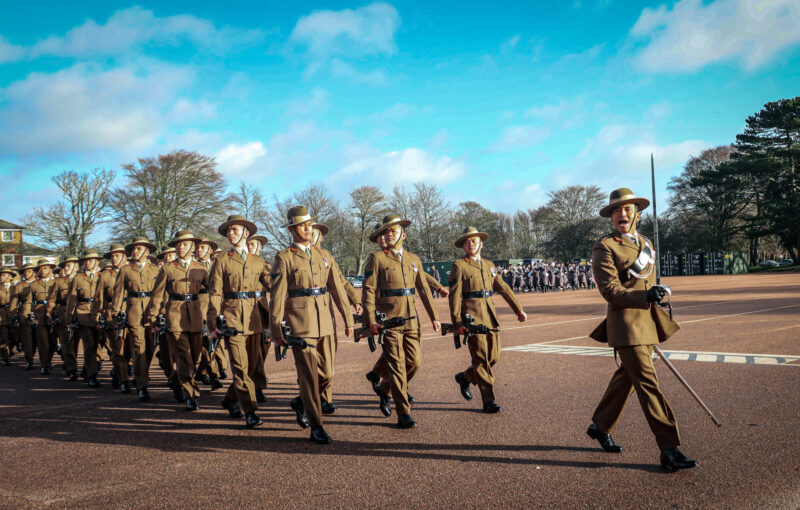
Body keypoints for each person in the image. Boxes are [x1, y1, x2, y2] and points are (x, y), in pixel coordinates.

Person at [586, 187, 697, 472]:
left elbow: (646, 283)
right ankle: (669, 448)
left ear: (637, 213)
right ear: (610, 216)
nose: (621, 214)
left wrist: (655, 292)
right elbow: (610, 291)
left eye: (626, 209)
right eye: (615, 211)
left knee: (627, 378)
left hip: (646, 322)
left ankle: (600, 426)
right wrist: (644, 296)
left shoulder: (646, 243)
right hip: (626, 325)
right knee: (649, 383)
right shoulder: (605, 247)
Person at [269, 206, 354, 443]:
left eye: (310, 225)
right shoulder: (283, 258)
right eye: (303, 225)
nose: (309, 228)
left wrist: (347, 318)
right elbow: (277, 297)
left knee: (327, 373)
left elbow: (336, 287)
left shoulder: (323, 255)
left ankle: (301, 401)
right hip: (300, 324)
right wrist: (276, 329)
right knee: (308, 377)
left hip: (326, 321)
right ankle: (317, 426)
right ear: (292, 230)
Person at [361, 213, 440, 428]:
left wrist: (435, 317)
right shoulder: (377, 258)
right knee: (396, 366)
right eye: (386, 232)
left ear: (403, 235)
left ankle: (385, 391)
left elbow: (423, 288)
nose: (388, 235)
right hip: (389, 322)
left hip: (411, 320)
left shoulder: (414, 259)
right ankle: (403, 412)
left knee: (414, 363)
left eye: (393, 231)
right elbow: (368, 291)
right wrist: (370, 320)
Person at [449, 227, 527, 413]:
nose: (470, 244)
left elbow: (503, 288)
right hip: (472, 317)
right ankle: (489, 400)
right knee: (481, 361)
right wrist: (457, 322)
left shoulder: (488, 265)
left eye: (474, 241)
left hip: (490, 316)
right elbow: (454, 297)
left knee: (493, 357)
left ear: (481, 244)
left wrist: (518, 309)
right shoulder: (459, 266)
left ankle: (466, 377)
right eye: (467, 242)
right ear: (463, 246)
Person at [207, 215, 271, 428]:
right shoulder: (222, 260)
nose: (230, 233)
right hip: (232, 319)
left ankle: (229, 399)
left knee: (251, 368)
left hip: (255, 320)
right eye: (228, 231)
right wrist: (212, 323)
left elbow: (274, 285)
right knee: (240, 369)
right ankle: (251, 411)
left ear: (246, 233)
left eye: (234, 229)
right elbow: (215, 293)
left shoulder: (259, 261)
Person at [146, 231, 207, 411]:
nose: (180, 247)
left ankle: (175, 379)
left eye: (184, 244)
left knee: (194, 355)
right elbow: (156, 296)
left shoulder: (201, 268)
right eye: (178, 244)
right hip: (175, 315)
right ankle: (192, 395)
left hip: (195, 314)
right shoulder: (167, 268)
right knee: (183, 355)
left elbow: (215, 288)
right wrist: (153, 318)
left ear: (192, 247)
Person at [311, 222, 361, 415]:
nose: (312, 235)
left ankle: (324, 397)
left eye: (316, 233)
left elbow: (341, 282)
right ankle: (313, 397)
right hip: (304, 317)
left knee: (327, 359)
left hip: (325, 314)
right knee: (310, 360)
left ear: (321, 237)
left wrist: (355, 300)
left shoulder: (327, 257)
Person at [112, 237, 160, 402]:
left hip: (151, 313)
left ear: (147, 251)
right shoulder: (125, 270)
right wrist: (116, 313)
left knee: (150, 349)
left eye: (139, 249)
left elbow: (162, 293)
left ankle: (141, 375)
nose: (135, 251)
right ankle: (142, 386)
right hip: (133, 313)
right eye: (133, 249)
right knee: (138, 349)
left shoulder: (156, 270)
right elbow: (118, 295)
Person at [66, 251, 104, 387]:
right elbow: (71, 299)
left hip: (99, 314)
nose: (88, 263)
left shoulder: (102, 276)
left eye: (91, 260)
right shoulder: (78, 278)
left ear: (97, 262)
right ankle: (91, 375)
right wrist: (69, 319)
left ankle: (87, 369)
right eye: (86, 261)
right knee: (89, 346)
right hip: (83, 314)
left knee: (99, 346)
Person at [96, 244, 129, 392]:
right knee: (117, 350)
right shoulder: (104, 276)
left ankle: (118, 372)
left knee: (131, 350)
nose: (114, 258)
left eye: (117, 255)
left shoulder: (131, 272)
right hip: (112, 315)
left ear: (125, 256)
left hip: (131, 313)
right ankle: (123, 380)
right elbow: (99, 299)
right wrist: (98, 315)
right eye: (112, 256)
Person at [194, 238, 225, 391]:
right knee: (207, 343)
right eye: (197, 248)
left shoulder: (216, 265)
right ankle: (214, 375)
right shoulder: (192, 266)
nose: (198, 250)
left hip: (215, 307)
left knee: (214, 343)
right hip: (199, 308)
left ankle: (202, 372)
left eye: (202, 248)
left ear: (210, 250)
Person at [22, 259, 59, 375]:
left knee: (53, 342)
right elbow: (28, 302)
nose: (42, 271)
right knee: (43, 342)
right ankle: (44, 365)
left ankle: (48, 360)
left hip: (53, 314)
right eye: (40, 269)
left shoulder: (56, 283)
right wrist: (26, 315)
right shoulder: (34, 285)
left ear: (50, 269)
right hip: (39, 315)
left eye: (45, 268)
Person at [0, 267, 19, 366]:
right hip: (2, 314)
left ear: (10, 276)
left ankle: (10, 348)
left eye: (4, 275)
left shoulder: (15, 287)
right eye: (1, 275)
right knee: (3, 337)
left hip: (13, 313)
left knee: (15, 336)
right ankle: (5, 357)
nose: (1, 277)